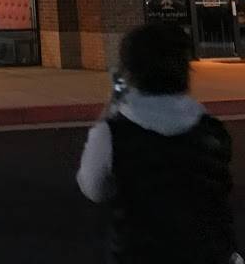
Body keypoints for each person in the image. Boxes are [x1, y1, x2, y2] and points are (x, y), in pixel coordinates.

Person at [76, 23, 240, 263]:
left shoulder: (112, 134)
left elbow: (94, 188)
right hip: (209, 253)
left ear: (129, 71)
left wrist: (113, 103)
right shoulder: (213, 131)